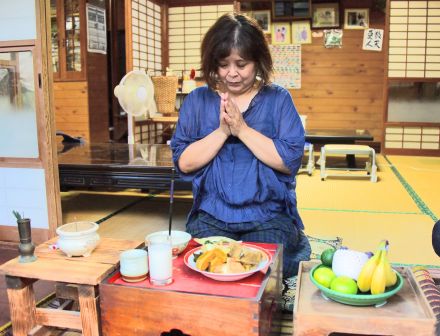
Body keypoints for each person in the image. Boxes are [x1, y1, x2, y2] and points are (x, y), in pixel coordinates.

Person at [170, 13, 311, 279]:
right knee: (207, 265)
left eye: (241, 64)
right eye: (223, 65)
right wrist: (223, 131)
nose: (232, 73)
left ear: (258, 62)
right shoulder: (198, 101)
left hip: (268, 213)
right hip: (212, 213)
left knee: (265, 267)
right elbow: (184, 163)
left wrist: (242, 129)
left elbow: (289, 160)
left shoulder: (278, 99)